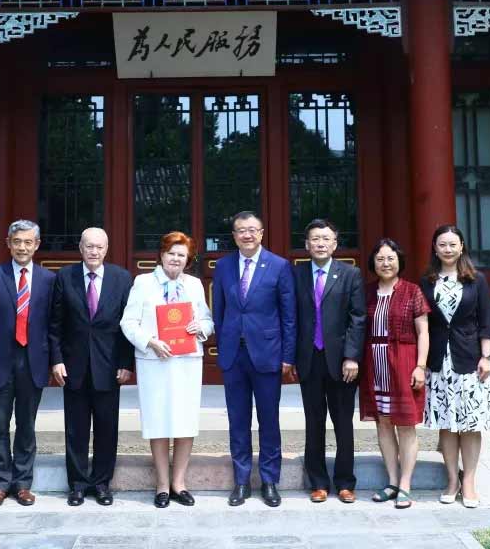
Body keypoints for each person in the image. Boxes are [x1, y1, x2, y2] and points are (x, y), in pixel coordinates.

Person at [120, 231, 213, 508]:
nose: (175, 259)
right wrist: (150, 341)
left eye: (181, 255)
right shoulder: (143, 282)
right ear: (161, 255)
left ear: (188, 259)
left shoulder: (194, 285)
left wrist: (200, 327)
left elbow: (208, 321)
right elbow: (128, 322)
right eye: (171, 253)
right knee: (158, 422)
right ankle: (162, 484)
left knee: (185, 422)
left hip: (187, 362)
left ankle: (179, 483)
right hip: (154, 362)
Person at [212, 211, 296, 507]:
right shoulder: (223, 266)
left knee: (269, 420)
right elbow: (219, 312)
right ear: (234, 236)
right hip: (233, 355)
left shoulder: (279, 265)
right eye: (240, 230)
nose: (247, 235)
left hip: (267, 354)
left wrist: (288, 355)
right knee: (238, 420)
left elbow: (289, 316)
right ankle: (241, 480)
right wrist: (223, 346)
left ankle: (270, 481)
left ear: (261, 233)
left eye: (252, 230)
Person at [49, 227, 134, 507]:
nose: (94, 252)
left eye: (99, 247)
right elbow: (55, 324)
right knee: (76, 429)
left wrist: (126, 363)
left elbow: (128, 325)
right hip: (73, 366)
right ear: (81, 248)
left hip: (109, 367)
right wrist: (57, 360)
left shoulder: (122, 278)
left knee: (107, 429)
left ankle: (101, 484)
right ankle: (77, 484)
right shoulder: (65, 277)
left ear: (106, 249)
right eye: (89, 246)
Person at [0, 219, 55, 508]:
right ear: (8, 244)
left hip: (34, 361)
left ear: (37, 245)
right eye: (17, 241)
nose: (22, 247)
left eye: (28, 242)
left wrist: (54, 361)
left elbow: (52, 325)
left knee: (26, 425)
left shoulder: (48, 279)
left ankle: (22, 484)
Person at [420, 224, 490, 509]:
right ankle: (452, 480)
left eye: (453, 244)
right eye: (442, 244)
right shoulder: (427, 281)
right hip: (439, 361)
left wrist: (486, 356)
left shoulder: (477, 280)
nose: (448, 249)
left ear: (462, 246)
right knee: (447, 423)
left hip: (470, 359)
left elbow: (486, 321)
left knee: (471, 424)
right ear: (435, 248)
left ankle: (469, 481)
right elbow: (423, 324)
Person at [294, 219, 366, 504]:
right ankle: (319, 483)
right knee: (314, 422)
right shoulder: (296, 273)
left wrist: (352, 356)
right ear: (307, 244)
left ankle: (345, 482)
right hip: (309, 358)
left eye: (326, 239)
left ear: (335, 244)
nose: (320, 243)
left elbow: (357, 318)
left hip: (341, 361)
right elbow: (291, 317)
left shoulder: (350, 274)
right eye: (315, 239)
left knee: (343, 422)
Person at [359, 238, 430, 509]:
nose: (385, 263)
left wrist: (420, 366)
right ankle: (391, 481)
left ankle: (406, 485)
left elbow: (423, 332)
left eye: (390, 258)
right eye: (380, 259)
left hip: (403, 363)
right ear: (373, 263)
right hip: (375, 366)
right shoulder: (367, 292)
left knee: (406, 425)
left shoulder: (412, 291)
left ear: (399, 261)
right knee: (384, 423)